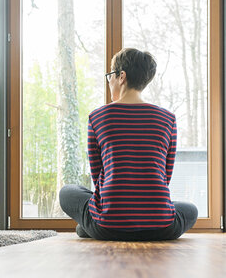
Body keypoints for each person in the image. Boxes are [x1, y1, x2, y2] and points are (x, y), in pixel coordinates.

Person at [59, 48, 198, 241]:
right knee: (190, 209)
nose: (109, 81)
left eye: (110, 76)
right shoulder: (168, 119)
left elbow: (98, 174)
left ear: (121, 76)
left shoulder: (97, 117)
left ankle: (91, 226)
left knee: (68, 192)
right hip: (161, 227)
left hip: (107, 224)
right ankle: (101, 224)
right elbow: (165, 176)